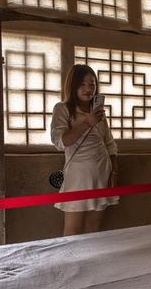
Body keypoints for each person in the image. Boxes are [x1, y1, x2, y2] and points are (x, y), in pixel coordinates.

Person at [50, 64, 119, 236]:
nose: (88, 88)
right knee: (73, 230)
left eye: (92, 84)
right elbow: (60, 141)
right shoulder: (63, 109)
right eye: (82, 84)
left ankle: (91, 263)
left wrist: (115, 171)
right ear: (72, 85)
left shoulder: (98, 112)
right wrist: (88, 122)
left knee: (94, 228)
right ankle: (71, 264)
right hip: (78, 177)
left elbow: (109, 143)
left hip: (102, 172)